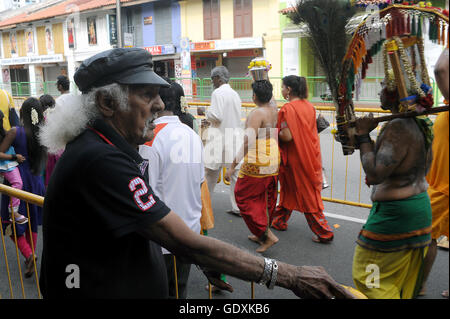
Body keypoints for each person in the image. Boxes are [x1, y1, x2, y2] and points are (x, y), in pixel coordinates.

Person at [38, 48, 354, 299]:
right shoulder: (99, 159)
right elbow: (179, 238)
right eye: (147, 95)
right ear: (107, 102)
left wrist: (202, 257)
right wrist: (289, 276)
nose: (160, 105)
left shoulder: (103, 147)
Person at [351, 70, 434, 299]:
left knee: (369, 276)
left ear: (395, 95)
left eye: (383, 87)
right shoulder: (422, 122)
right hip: (417, 208)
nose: (379, 92)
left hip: (397, 216)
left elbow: (376, 173)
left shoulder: (399, 126)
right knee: (397, 282)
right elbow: (400, 163)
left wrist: (363, 136)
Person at [139, 82, 204, 299]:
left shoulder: (151, 136)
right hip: (190, 232)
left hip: (163, 237)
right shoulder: (191, 134)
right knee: (179, 291)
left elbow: (145, 190)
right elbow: (200, 182)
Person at [271, 76, 334, 243]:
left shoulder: (287, 109)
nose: (282, 90)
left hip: (296, 158)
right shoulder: (309, 106)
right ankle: (279, 221)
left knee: (307, 196)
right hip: (311, 155)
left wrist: (270, 131)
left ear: (289, 90)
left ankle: (325, 232)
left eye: (283, 87)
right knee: (289, 190)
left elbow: (286, 136)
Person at [225, 80, 279, 253]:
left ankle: (267, 235)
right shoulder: (273, 109)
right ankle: (261, 232)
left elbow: (248, 142)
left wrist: (232, 166)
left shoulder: (257, 113)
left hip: (258, 159)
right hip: (272, 157)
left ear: (254, 96)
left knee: (242, 195)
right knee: (263, 197)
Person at [0, 97, 47, 278]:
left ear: (22, 114)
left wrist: (13, 158)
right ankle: (30, 259)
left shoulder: (15, 132)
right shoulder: (42, 134)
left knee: (10, 221)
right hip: (36, 183)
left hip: (17, 184)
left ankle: (28, 254)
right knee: (31, 222)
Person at [420, 48, 449, 299]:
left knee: (426, 237)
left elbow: (440, 70)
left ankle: (419, 285)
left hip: (443, 190)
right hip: (440, 186)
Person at [204, 66, 243, 216]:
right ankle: (237, 207)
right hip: (233, 137)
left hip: (218, 137)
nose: (212, 82)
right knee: (234, 175)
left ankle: (204, 203)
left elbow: (217, 115)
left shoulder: (217, 93)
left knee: (210, 173)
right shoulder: (235, 94)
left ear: (218, 79)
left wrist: (205, 112)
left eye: (213, 79)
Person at [0, 109, 28, 224]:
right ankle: (13, 211)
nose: (2, 121)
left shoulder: (4, 131)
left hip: (9, 163)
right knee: (18, 183)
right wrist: (14, 156)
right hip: (7, 164)